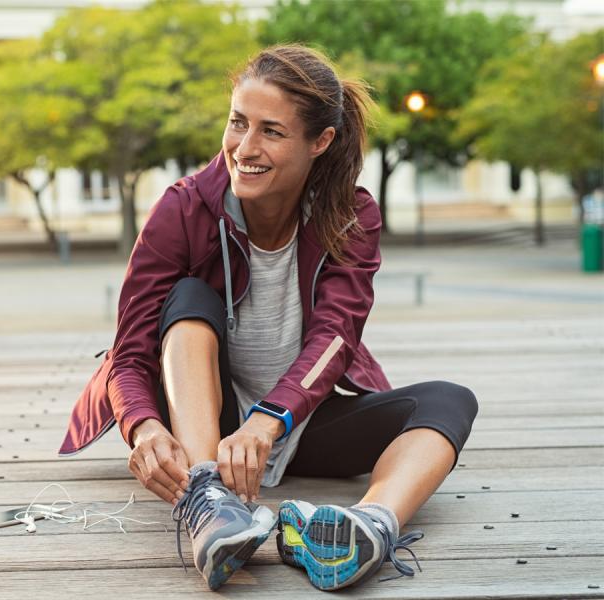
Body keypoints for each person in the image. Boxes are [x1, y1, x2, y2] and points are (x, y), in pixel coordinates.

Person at [59, 44, 477, 592]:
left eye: (271, 132)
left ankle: (371, 526)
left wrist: (269, 419)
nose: (244, 148)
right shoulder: (182, 209)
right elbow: (130, 352)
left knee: (449, 400)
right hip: (204, 427)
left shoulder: (351, 215)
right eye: (238, 123)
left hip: (295, 421)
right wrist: (144, 426)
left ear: (320, 142)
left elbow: (336, 337)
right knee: (187, 298)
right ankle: (208, 503)